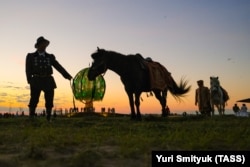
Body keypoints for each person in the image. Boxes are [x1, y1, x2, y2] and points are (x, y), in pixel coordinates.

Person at [26, 36, 72, 121]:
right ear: (38, 45)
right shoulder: (31, 56)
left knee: (49, 100)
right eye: (42, 44)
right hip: (36, 80)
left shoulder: (50, 57)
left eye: (45, 45)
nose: (44, 46)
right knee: (34, 99)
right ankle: (31, 117)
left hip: (48, 80)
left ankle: (48, 118)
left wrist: (67, 75)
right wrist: (30, 80)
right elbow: (28, 69)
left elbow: (58, 66)